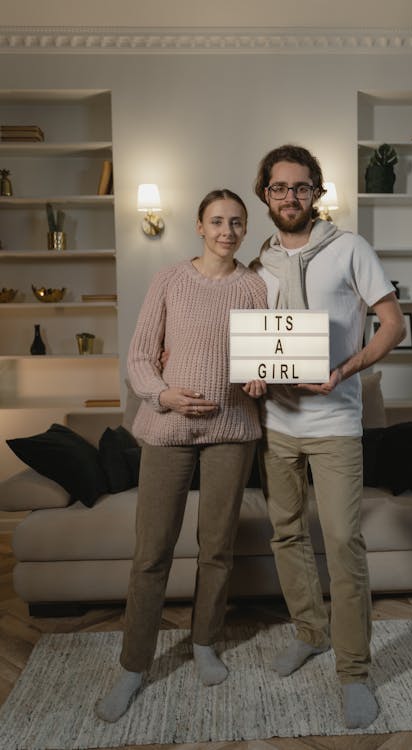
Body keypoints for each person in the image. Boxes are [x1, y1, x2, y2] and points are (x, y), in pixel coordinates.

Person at [96, 188, 267, 723]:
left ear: (246, 228)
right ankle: (133, 664)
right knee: (152, 552)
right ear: (199, 225)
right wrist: (165, 395)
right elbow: (141, 357)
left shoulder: (258, 287)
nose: (227, 231)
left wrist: (262, 379)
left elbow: (264, 361)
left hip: (233, 429)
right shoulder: (170, 279)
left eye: (237, 222)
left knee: (217, 547)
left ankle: (204, 643)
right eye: (217, 221)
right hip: (167, 427)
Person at [249, 144, 406, 729]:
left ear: (317, 192)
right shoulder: (256, 263)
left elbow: (391, 323)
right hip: (277, 426)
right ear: (265, 194)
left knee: (342, 543)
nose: (290, 197)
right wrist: (254, 376)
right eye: (278, 187)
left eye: (301, 187)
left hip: (336, 421)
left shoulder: (350, 249)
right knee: (287, 535)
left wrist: (345, 370)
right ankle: (310, 634)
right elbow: (258, 344)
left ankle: (355, 671)